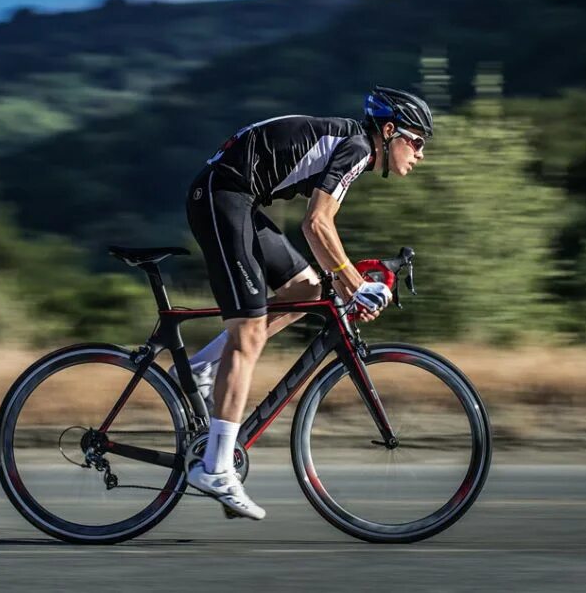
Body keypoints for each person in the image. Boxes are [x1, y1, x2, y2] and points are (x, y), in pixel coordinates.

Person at [181, 86, 433, 519]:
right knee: (250, 334)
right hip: (223, 196)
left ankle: (203, 367)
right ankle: (216, 467)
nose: (421, 153)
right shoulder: (356, 147)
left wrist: (347, 281)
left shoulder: (353, 145)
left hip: (237, 197)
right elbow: (317, 224)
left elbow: (320, 234)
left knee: (304, 290)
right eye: (417, 141)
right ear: (389, 132)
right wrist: (354, 285)